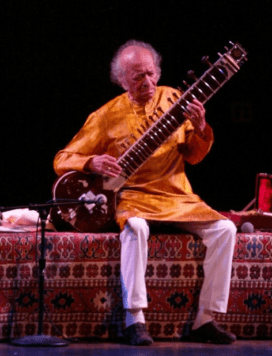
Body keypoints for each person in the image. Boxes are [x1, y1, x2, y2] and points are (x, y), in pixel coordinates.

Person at [53, 40, 237, 346]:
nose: (147, 82)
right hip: (134, 196)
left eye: (151, 74)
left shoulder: (175, 100)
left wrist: (201, 126)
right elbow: (61, 159)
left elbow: (194, 155)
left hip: (176, 195)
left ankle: (206, 319)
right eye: (137, 77)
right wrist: (91, 160)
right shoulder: (106, 115)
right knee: (135, 228)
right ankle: (134, 319)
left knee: (225, 230)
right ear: (122, 81)